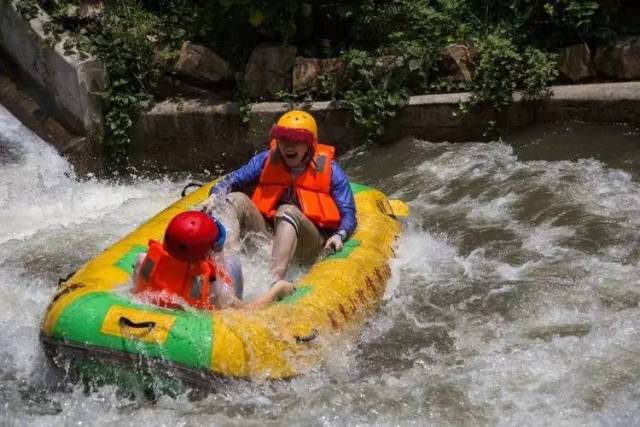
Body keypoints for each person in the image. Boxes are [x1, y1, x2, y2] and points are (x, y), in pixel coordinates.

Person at [205, 109, 356, 285]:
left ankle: (273, 282)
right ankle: (225, 265)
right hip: (270, 236)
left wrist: (339, 235)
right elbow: (232, 180)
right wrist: (216, 195)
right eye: (284, 140)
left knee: (287, 210)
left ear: (310, 144)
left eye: (296, 141)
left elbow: (349, 212)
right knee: (236, 198)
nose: (288, 146)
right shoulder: (265, 160)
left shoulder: (331, 171)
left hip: (308, 245)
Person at [132, 211, 293, 310]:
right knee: (233, 262)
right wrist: (277, 290)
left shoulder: (143, 261)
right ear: (208, 254)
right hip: (203, 323)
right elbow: (248, 311)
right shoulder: (215, 288)